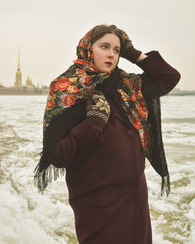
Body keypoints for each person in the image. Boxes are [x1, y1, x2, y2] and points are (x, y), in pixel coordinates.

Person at [34, 24, 180, 244]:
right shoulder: (66, 88)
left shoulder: (126, 86)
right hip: (97, 204)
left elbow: (169, 78)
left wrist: (134, 54)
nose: (111, 54)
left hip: (135, 198)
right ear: (87, 48)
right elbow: (57, 154)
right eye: (104, 46)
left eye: (117, 50)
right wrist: (93, 124)